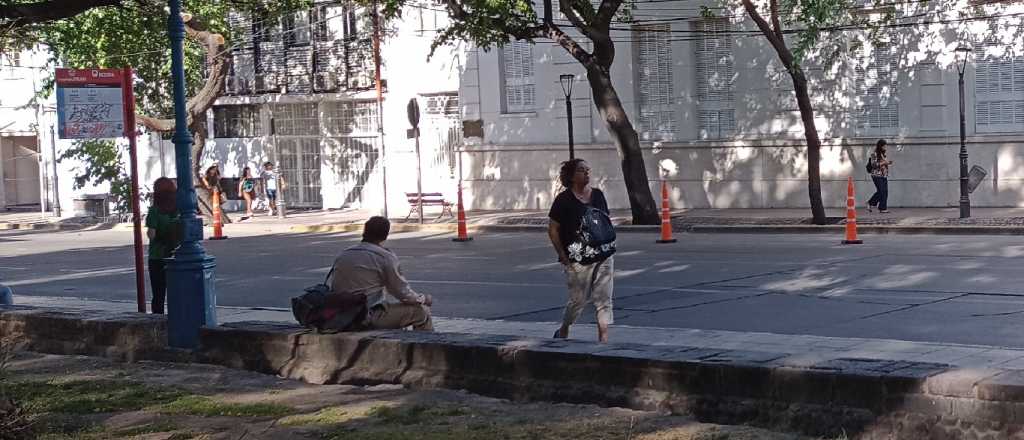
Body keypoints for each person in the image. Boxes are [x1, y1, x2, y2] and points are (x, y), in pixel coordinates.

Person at [547, 159, 616, 343]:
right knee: (578, 301)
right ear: (571, 176)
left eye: (588, 169)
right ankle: (564, 329)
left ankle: (603, 339)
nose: (586, 173)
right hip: (578, 258)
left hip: (604, 253)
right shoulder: (563, 200)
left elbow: (604, 220)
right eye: (581, 170)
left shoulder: (598, 195)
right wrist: (562, 255)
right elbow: (553, 228)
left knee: (604, 299)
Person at [327, 216, 434, 331]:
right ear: (385, 235)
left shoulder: (344, 254)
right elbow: (402, 293)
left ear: (364, 232)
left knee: (393, 310)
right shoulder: (384, 256)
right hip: (365, 315)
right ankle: (430, 347)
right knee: (421, 312)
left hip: (340, 313)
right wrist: (423, 299)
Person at [146, 177, 180, 314]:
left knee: (158, 295)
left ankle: (157, 321)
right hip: (175, 254)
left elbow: (151, 234)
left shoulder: (154, 211)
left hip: (157, 256)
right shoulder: (178, 209)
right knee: (175, 292)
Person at [867, 139, 894, 213]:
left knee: (885, 191)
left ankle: (883, 208)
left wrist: (888, 163)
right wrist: (884, 163)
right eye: (884, 146)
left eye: (885, 146)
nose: (885, 147)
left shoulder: (883, 154)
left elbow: (883, 163)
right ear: (880, 146)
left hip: (883, 175)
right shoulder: (874, 154)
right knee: (881, 191)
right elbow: (874, 165)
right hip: (876, 175)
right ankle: (870, 202)